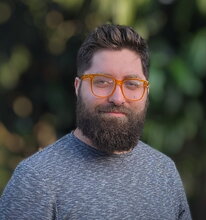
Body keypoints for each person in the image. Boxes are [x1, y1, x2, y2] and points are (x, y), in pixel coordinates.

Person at [0, 24, 191, 219]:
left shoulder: (164, 172)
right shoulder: (35, 180)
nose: (117, 97)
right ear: (77, 87)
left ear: (146, 92)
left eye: (132, 84)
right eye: (102, 81)